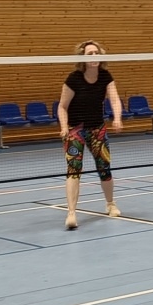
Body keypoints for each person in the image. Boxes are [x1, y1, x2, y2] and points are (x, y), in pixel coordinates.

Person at [57, 40, 124, 230]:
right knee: (74, 170)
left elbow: (114, 99)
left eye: (96, 53)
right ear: (83, 58)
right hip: (75, 130)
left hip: (97, 129)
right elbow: (62, 107)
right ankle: (71, 213)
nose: (94, 56)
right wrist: (64, 127)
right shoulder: (74, 79)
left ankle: (110, 204)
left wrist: (117, 117)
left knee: (104, 168)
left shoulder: (105, 76)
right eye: (90, 54)